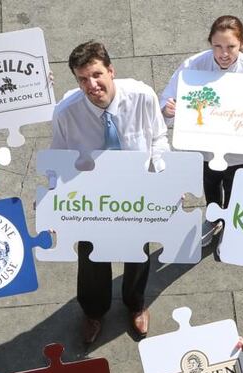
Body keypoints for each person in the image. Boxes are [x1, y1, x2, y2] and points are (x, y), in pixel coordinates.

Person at [51, 40, 170, 344]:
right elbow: (59, 159)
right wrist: (55, 206)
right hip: (93, 196)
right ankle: (93, 311)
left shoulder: (142, 96)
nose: (91, 85)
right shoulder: (66, 113)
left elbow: (158, 137)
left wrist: (167, 181)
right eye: (82, 79)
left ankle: (136, 303)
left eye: (96, 75)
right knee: (91, 260)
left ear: (111, 70)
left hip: (137, 191)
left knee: (138, 255)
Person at [159, 15, 243, 247]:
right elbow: (169, 95)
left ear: (242, 43)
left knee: (236, 185)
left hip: (240, 151)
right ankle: (214, 218)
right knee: (210, 182)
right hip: (205, 147)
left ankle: (230, 220)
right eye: (217, 46)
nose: (224, 53)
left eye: (231, 46)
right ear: (210, 43)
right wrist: (168, 108)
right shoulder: (193, 65)